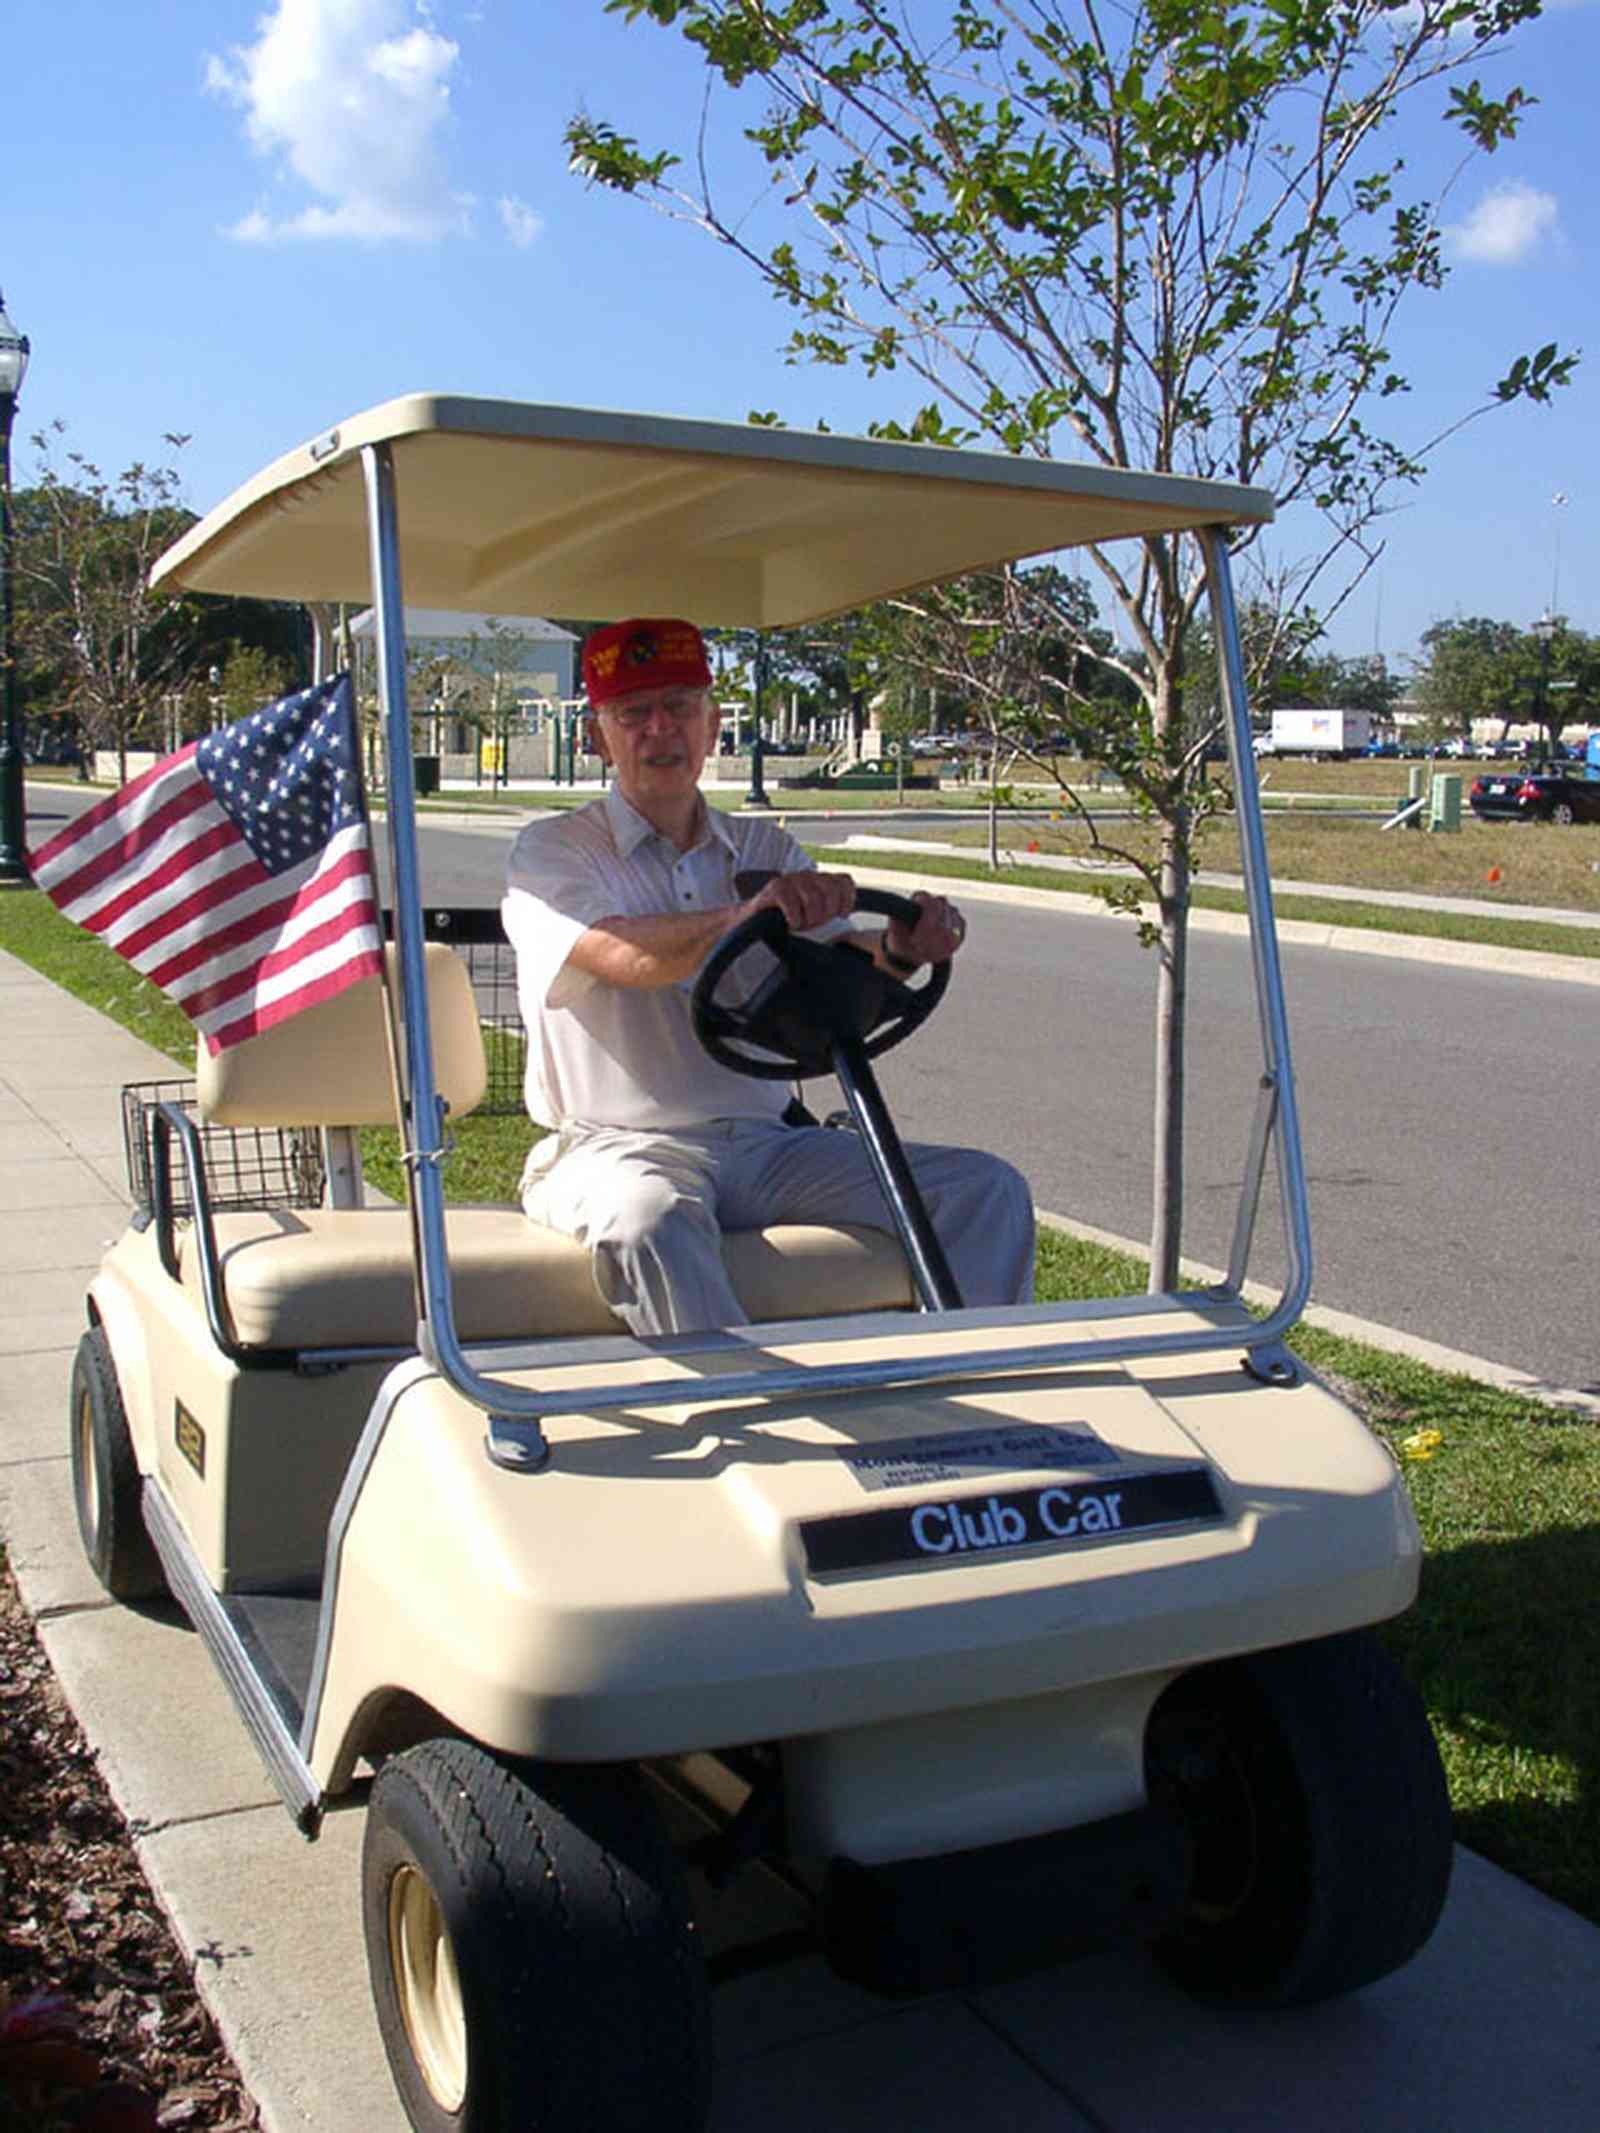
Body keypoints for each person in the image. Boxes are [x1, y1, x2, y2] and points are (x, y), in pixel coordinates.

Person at [500, 617, 1034, 1337]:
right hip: (613, 1143)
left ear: (712, 724)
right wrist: (744, 913)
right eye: (635, 713)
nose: (662, 730)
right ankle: (747, 1419)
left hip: (766, 1141)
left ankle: (970, 1394)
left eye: (682, 707)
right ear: (599, 738)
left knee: (987, 1191)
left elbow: (840, 961)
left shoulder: (762, 845)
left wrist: (903, 948)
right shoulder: (554, 852)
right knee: (647, 1219)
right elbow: (620, 955)